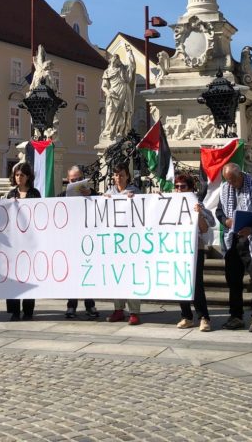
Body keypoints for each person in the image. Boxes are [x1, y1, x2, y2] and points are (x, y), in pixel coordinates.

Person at [215, 162, 252, 332]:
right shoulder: (225, 189)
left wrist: (251, 228)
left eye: (233, 180)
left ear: (240, 175)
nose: (231, 184)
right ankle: (236, 316)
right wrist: (226, 221)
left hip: (251, 239)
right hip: (232, 240)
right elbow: (219, 212)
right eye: (228, 180)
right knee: (233, 280)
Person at [175, 173, 214, 332]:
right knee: (180, 282)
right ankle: (186, 316)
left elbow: (205, 229)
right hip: (176, 249)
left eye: (183, 187)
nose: (179, 190)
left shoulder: (198, 205)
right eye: (176, 187)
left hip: (194, 249)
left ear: (191, 188)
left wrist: (199, 214)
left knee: (196, 284)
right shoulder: (170, 203)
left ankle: (204, 317)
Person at [105, 164, 143, 325]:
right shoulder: (109, 193)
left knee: (132, 276)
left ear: (127, 176)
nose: (118, 178)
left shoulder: (135, 192)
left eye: (121, 175)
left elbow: (144, 210)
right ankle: (118, 309)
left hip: (131, 241)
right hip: (115, 242)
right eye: (116, 175)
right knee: (117, 276)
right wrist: (103, 201)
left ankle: (134, 312)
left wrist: (135, 201)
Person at [5, 162, 41, 321]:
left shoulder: (34, 193)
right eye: (17, 175)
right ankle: (14, 310)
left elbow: (39, 214)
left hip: (29, 241)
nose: (19, 178)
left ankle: (28, 310)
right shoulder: (10, 194)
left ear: (28, 177)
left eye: (22, 175)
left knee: (28, 276)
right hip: (14, 242)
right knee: (13, 276)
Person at [63, 165, 99, 320]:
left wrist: (91, 195)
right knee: (73, 275)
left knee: (88, 273)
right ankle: (71, 305)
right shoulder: (61, 196)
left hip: (88, 241)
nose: (76, 183)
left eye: (79, 180)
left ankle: (90, 305)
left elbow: (103, 204)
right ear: (68, 180)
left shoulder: (92, 194)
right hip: (71, 241)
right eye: (73, 180)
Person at [100, 46, 136, 141]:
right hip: (113, 94)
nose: (116, 59)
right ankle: (109, 131)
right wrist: (108, 92)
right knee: (111, 112)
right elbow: (103, 86)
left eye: (117, 58)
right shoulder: (107, 72)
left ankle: (121, 132)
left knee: (124, 113)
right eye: (114, 57)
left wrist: (129, 53)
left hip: (124, 92)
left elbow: (131, 65)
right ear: (111, 60)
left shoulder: (122, 68)